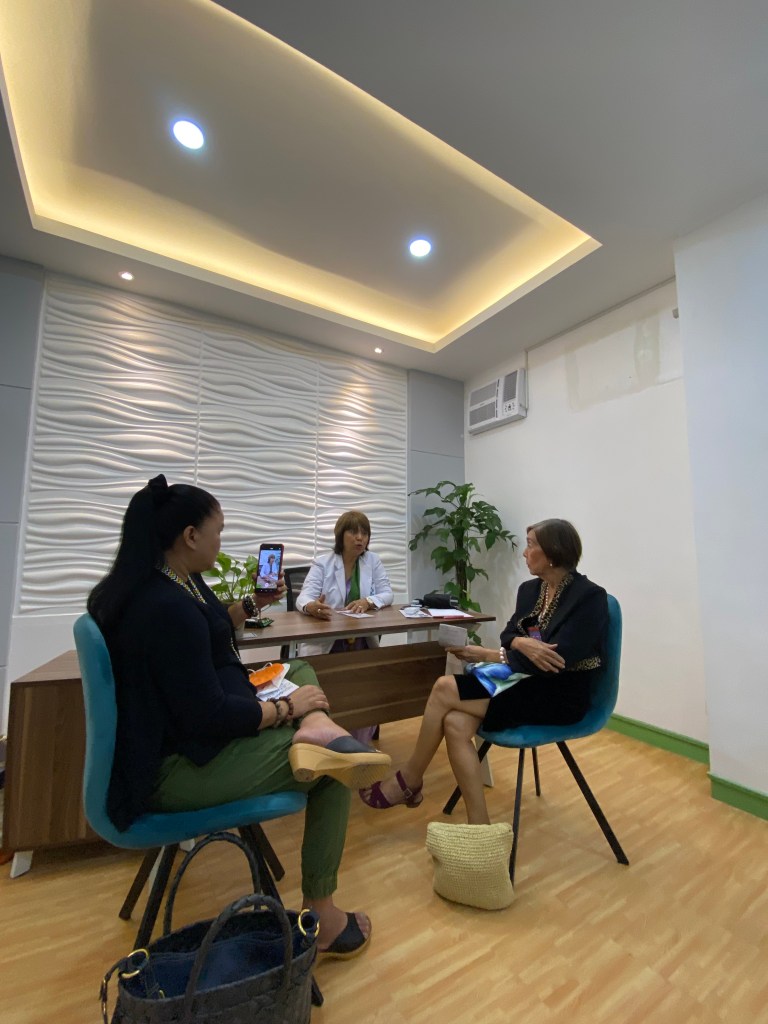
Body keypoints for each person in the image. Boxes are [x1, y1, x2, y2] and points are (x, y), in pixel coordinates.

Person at [87, 474, 391, 958]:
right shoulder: (166, 609)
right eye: (219, 531)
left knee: (301, 668)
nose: (221, 540)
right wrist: (283, 708)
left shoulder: (176, 581)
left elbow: (211, 630)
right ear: (191, 536)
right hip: (180, 767)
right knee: (335, 769)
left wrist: (252, 604)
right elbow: (209, 717)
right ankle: (325, 917)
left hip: (198, 731)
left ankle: (316, 727)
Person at [360, 519, 608, 824]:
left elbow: (557, 661)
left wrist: (493, 654)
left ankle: (410, 779)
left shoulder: (589, 597)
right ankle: (480, 825)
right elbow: (509, 633)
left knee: (444, 687)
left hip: (559, 695)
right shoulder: (531, 590)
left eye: (531, 545)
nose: (524, 552)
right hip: (522, 682)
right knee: (454, 722)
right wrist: (521, 643)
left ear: (553, 552)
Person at [295, 510, 394, 743]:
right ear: (341, 535)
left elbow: (387, 593)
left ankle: (359, 744)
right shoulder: (323, 563)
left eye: (364, 533)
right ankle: (332, 741)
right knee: (332, 693)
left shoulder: (372, 561)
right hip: (329, 643)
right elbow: (303, 597)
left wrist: (368, 601)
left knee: (363, 693)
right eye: (353, 532)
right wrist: (311, 606)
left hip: (361, 641)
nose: (360, 538)